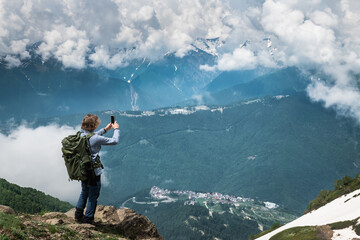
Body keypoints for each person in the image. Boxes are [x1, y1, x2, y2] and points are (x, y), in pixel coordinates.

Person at [74, 114, 120, 224]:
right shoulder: (95, 138)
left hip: (83, 170)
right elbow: (114, 141)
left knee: (84, 191)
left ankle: (78, 214)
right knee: (93, 195)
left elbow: (92, 136)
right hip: (93, 172)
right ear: (94, 125)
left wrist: (105, 129)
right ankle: (88, 220)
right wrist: (116, 129)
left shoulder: (80, 135)